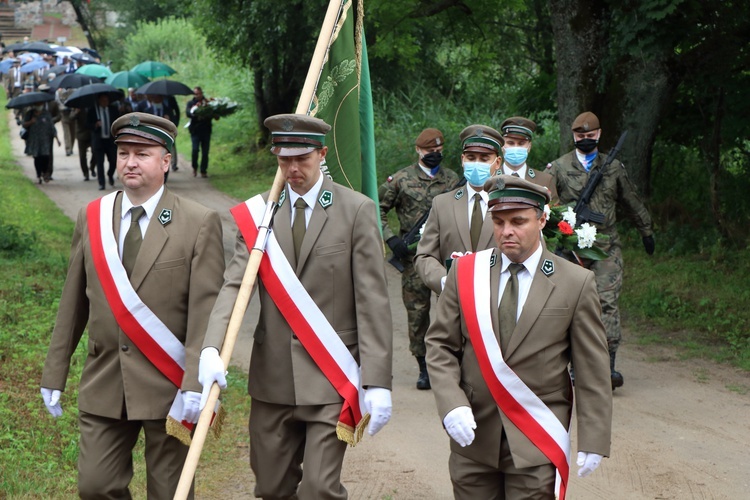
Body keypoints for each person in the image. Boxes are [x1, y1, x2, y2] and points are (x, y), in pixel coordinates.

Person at [198, 114, 393, 499]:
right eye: (283, 159)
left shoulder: (355, 211)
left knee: (319, 489)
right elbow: (235, 286)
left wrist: (378, 380)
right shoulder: (259, 216)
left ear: (321, 154)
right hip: (272, 380)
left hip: (330, 378)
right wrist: (211, 347)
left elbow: (372, 299)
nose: (291, 168)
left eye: (301, 158)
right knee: (271, 489)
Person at [39, 113, 226, 499]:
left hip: (169, 384)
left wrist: (194, 383)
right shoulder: (92, 217)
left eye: (142, 153)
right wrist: (54, 372)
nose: (130, 162)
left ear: (166, 161)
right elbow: (73, 303)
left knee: (170, 492)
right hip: (105, 380)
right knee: (96, 486)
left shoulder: (198, 222)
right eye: (124, 153)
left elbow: (205, 311)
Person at [425, 175, 613, 499]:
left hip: (535, 441)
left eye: (518, 221)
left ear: (542, 219)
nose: (506, 231)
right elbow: (440, 345)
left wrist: (595, 438)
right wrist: (450, 403)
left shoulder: (575, 282)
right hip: (473, 438)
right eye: (498, 221)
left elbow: (591, 368)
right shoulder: (466, 274)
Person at [546, 111, 655, 389]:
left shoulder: (613, 167)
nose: (585, 139)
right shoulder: (557, 168)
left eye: (590, 135)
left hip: (606, 247)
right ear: (573, 136)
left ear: (599, 134)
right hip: (569, 249)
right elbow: (546, 206)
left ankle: (608, 366)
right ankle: (570, 366)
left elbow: (631, 200)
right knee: (569, 306)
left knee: (606, 302)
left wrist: (647, 230)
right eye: (580, 136)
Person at [378, 127, 458, 390]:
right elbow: (376, 209)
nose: (434, 154)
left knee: (452, 310)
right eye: (428, 151)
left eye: (438, 150)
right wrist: (390, 238)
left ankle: (452, 362)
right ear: (418, 150)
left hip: (447, 257)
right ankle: (423, 366)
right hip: (412, 259)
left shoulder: (452, 179)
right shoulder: (401, 179)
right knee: (417, 313)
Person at [414, 124, 504, 296]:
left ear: (497, 162)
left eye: (484, 159)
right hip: (452, 304)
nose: (476, 163)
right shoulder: (442, 204)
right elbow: (424, 256)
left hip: (498, 301)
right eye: (471, 157)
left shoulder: (511, 204)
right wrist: (444, 280)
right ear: (462, 160)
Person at [498, 116, 558, 201]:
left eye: (521, 143)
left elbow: (555, 211)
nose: (516, 148)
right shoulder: (490, 178)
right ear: (502, 146)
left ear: (529, 147)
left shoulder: (545, 180)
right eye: (510, 143)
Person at [87, 93, 120, 190]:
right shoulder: (93, 111)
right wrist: (95, 125)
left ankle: (110, 174)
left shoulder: (113, 109)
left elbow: (118, 122)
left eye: (106, 100)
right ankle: (101, 183)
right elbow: (87, 124)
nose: (105, 102)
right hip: (99, 140)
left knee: (113, 160)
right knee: (100, 163)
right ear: (99, 100)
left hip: (110, 140)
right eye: (103, 100)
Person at [22, 100, 59, 184]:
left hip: (45, 140)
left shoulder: (46, 114)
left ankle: (45, 172)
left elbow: (51, 127)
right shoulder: (30, 114)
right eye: (37, 104)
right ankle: (38, 174)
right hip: (34, 139)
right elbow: (24, 124)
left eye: (40, 104)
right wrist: (31, 122)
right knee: (37, 157)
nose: (39, 105)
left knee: (45, 156)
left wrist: (57, 138)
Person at [185, 86, 213, 178]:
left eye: (198, 93)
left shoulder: (208, 103)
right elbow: (188, 113)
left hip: (206, 130)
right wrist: (195, 112)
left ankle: (203, 170)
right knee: (195, 149)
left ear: (201, 93)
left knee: (205, 152)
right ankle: (194, 167)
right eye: (195, 94)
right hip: (195, 131)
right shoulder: (191, 103)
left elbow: (213, 114)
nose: (197, 95)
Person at [73, 104, 96, 181]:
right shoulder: (78, 107)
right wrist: (76, 112)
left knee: (96, 152)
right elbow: (70, 118)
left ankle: (92, 166)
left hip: (92, 133)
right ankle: (85, 173)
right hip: (81, 135)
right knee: (82, 156)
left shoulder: (93, 107)